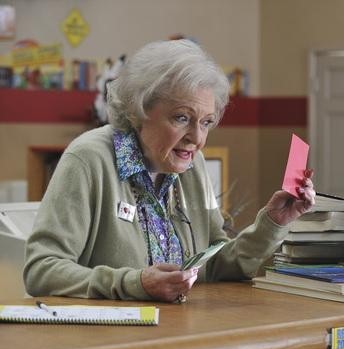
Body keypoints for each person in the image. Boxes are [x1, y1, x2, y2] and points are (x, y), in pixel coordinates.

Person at [23, 39, 315, 303]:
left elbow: (213, 262)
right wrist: (132, 283)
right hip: (104, 342)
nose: (197, 139)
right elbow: (42, 270)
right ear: (139, 111)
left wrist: (273, 223)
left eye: (206, 122)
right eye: (181, 118)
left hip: (176, 334)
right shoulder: (89, 159)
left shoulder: (191, 165)